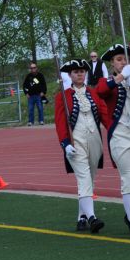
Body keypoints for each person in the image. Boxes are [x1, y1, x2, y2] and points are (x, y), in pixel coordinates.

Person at [96, 44, 130, 238]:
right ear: (112, 63)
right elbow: (101, 91)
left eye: (126, 59)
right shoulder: (109, 80)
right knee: (128, 176)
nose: (123, 62)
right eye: (119, 59)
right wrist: (120, 78)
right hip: (121, 131)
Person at [54, 59, 108, 233]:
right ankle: (92, 217)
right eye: (76, 72)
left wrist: (116, 130)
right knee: (84, 178)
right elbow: (60, 122)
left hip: (94, 140)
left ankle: (81, 217)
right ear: (70, 75)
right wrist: (65, 143)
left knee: (89, 180)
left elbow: (105, 116)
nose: (79, 74)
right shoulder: (63, 95)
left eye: (82, 71)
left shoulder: (93, 93)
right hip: (76, 141)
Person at [23, 61, 47, 126]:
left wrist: (43, 92)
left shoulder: (40, 75)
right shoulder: (28, 76)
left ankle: (41, 120)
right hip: (30, 96)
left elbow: (44, 85)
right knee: (30, 109)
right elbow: (24, 86)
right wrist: (26, 93)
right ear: (30, 69)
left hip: (39, 95)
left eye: (34, 67)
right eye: (31, 68)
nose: (33, 69)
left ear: (36, 68)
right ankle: (31, 121)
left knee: (40, 108)